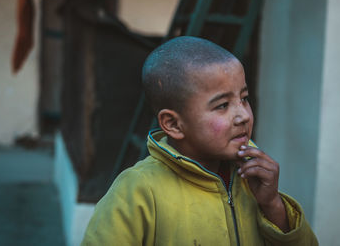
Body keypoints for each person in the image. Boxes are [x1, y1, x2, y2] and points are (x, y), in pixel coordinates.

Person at [81, 36, 318, 245]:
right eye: (222, 105)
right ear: (173, 124)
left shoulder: (252, 178)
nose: (244, 115)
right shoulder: (139, 191)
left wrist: (274, 206)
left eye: (244, 98)